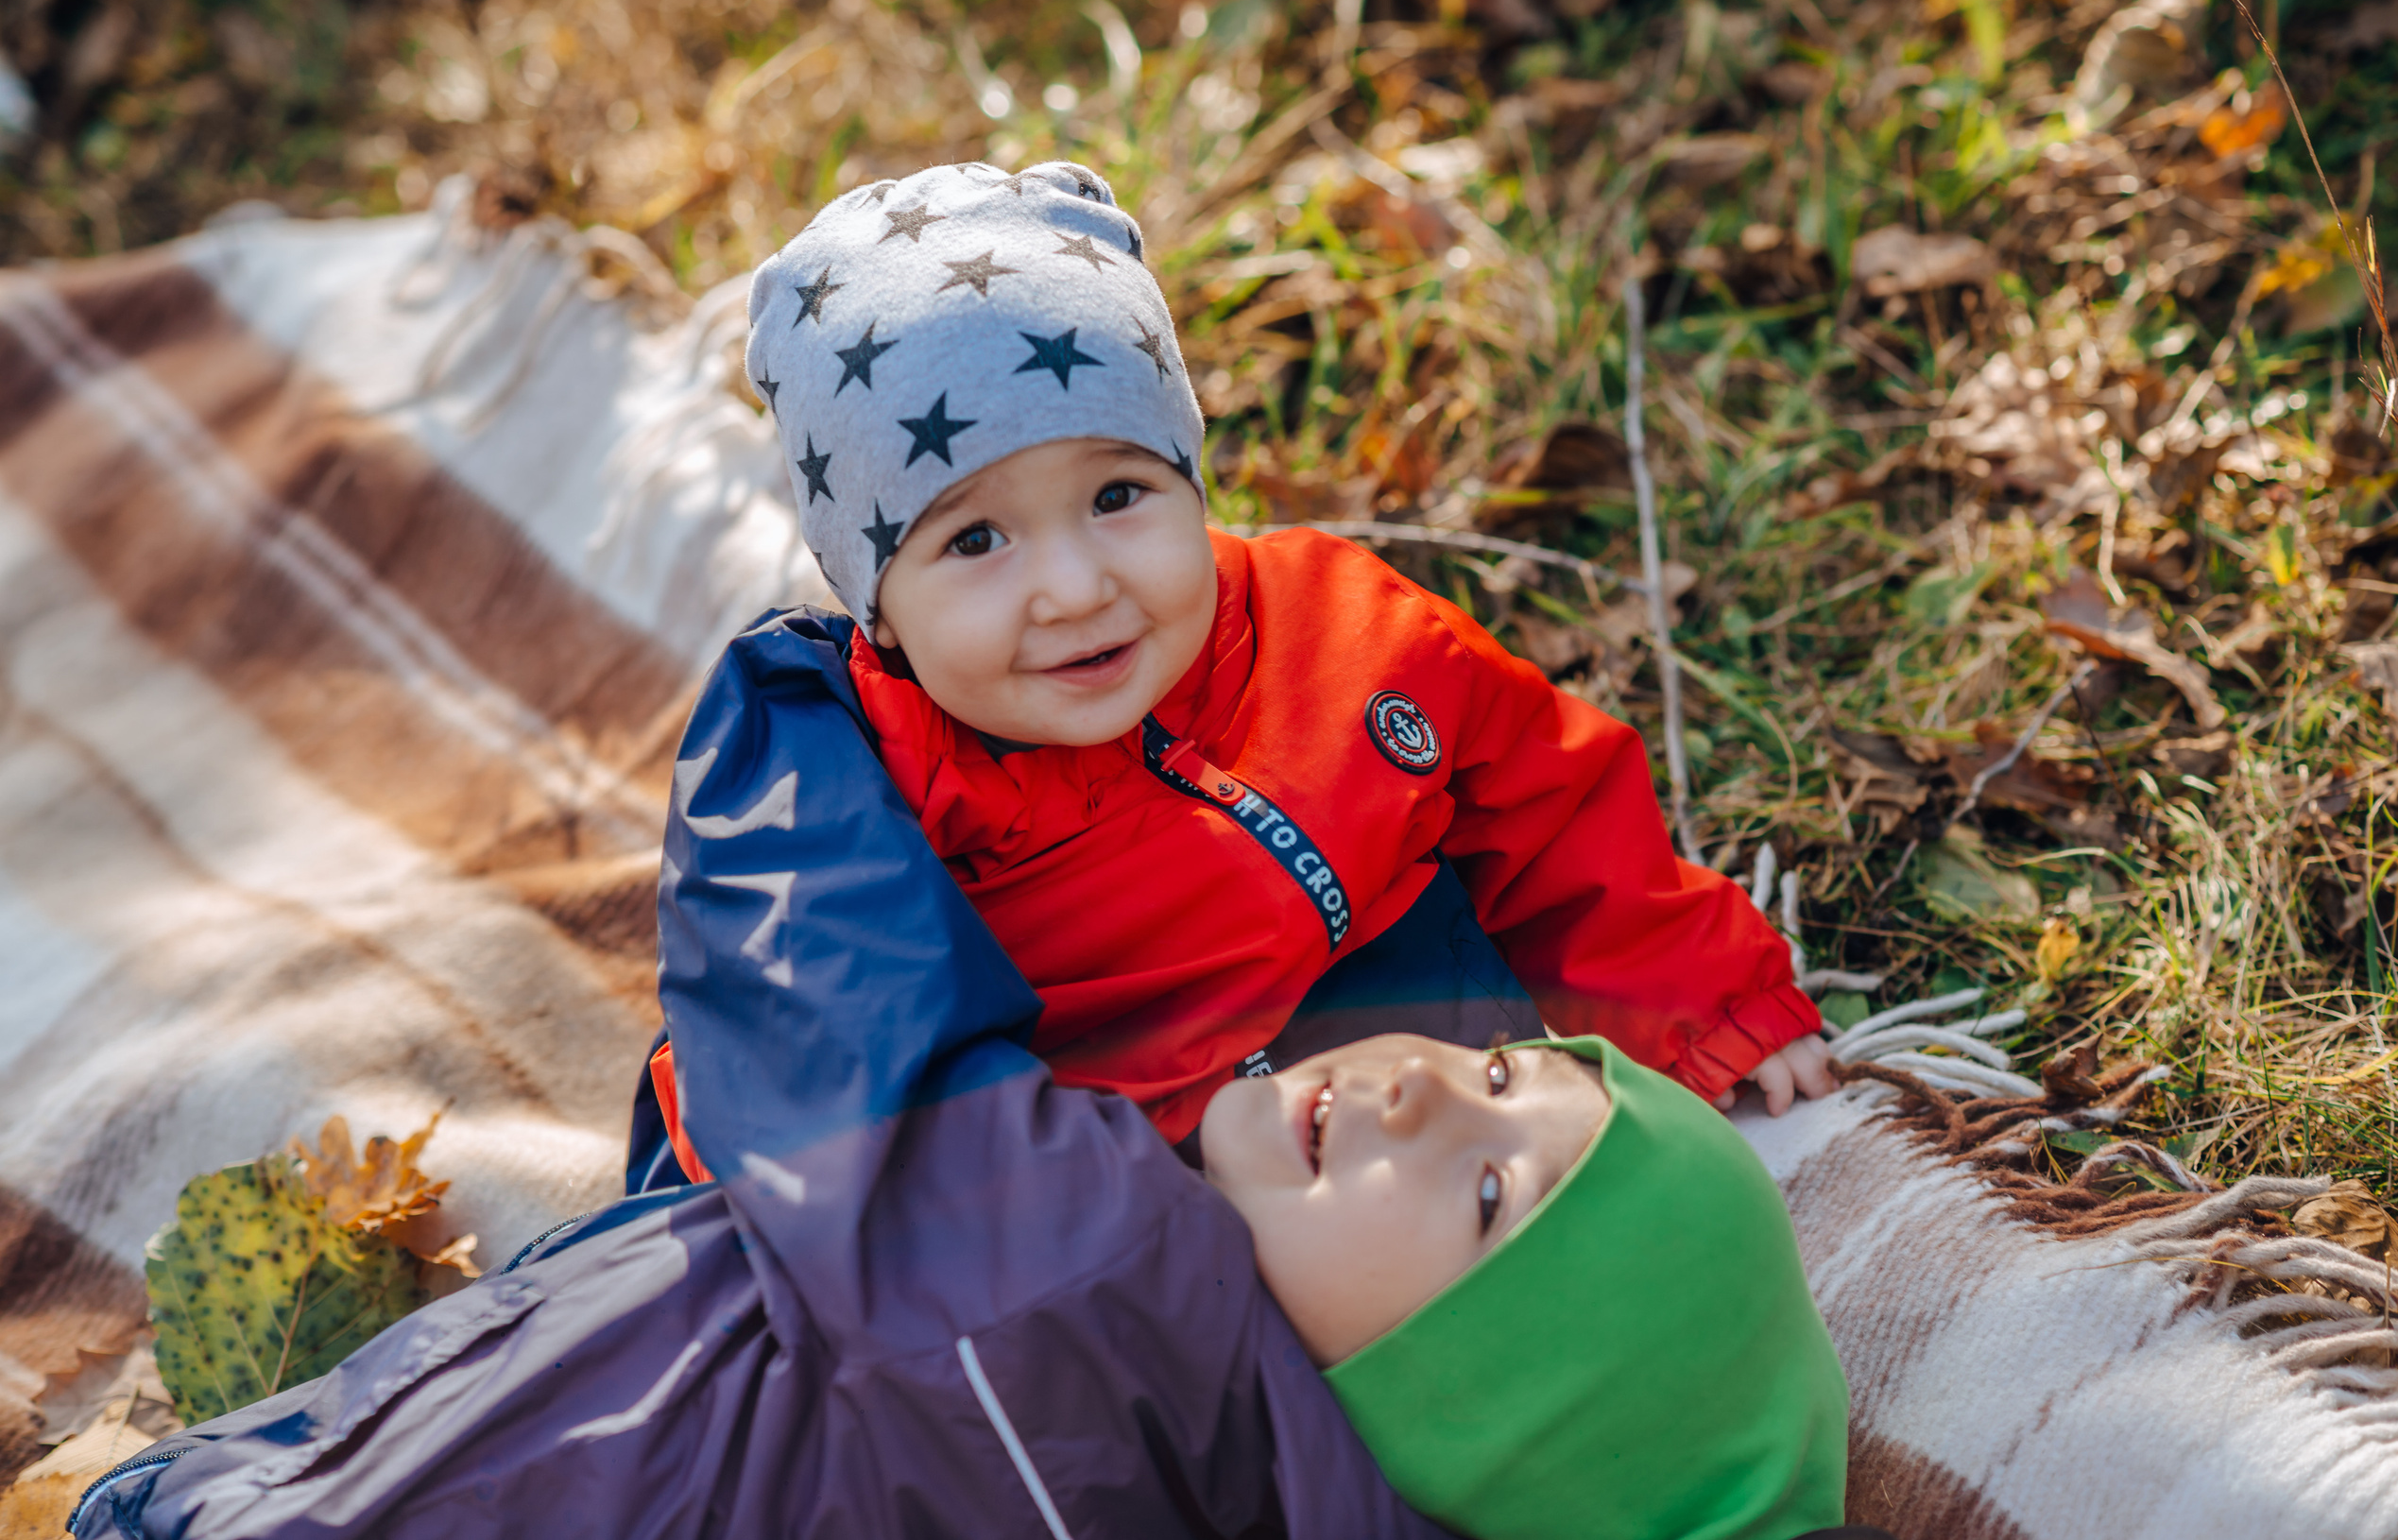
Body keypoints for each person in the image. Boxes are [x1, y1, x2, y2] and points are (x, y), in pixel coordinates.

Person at [72, 595, 1853, 1537]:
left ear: (1466, 1398)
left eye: (1489, 1195)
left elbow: (824, 1003)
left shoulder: (1098, 1280)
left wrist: (803, 682)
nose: (1421, 1087)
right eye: (1524, 1077)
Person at [635, 159, 1833, 1191]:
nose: (1074, 588)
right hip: (1138, 1217)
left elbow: (1551, 809)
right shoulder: (874, 797)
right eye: (974, 540)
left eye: (1118, 496)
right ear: (876, 611)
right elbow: (789, 1060)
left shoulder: (1338, 627)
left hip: (1410, 1110)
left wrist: (1702, 1001)